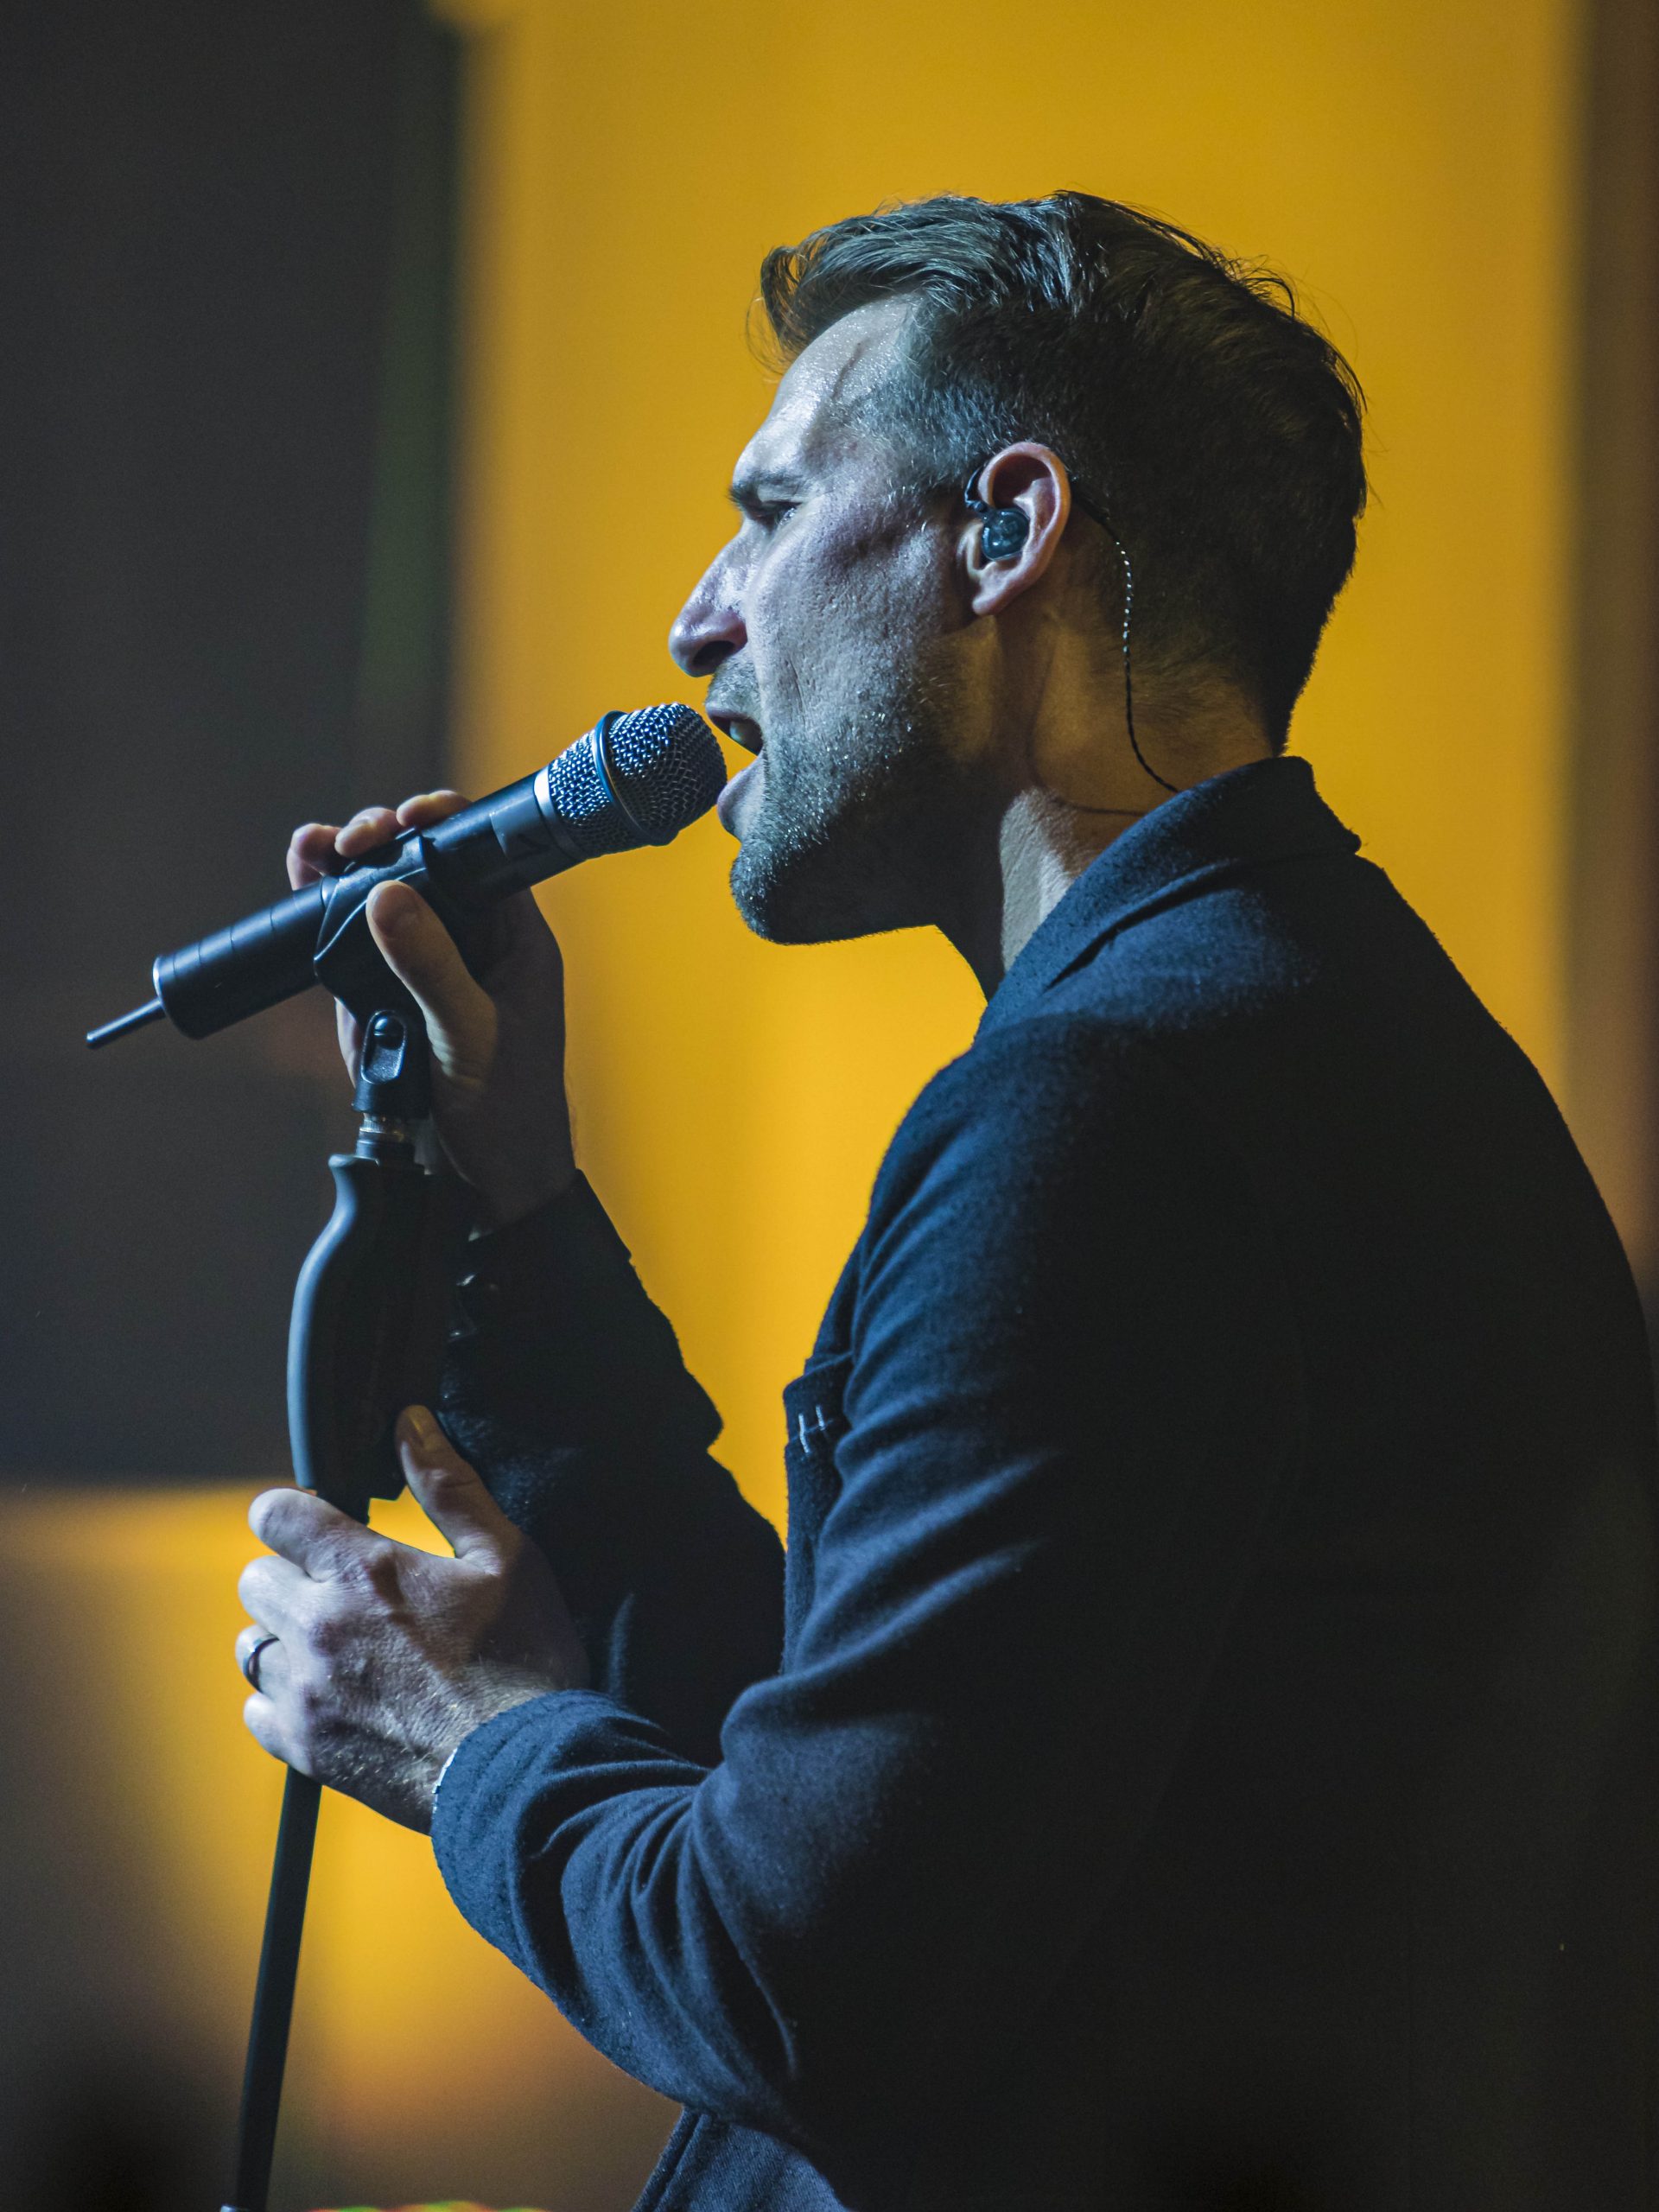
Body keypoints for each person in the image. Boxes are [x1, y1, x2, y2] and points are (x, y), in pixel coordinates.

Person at [234, 194, 1659, 2210]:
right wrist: (517, 1205)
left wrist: (461, 1745)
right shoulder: (1278, 1022)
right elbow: (858, 1792)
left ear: (1007, 530)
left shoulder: (1121, 1104)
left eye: (772, 507)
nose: (699, 622)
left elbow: (800, 1970)